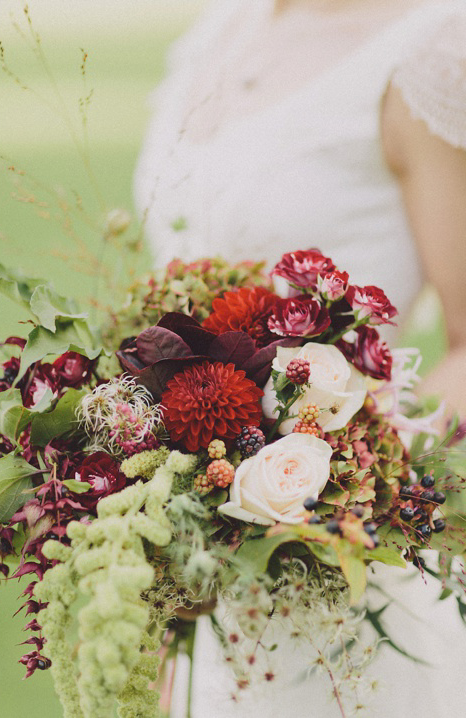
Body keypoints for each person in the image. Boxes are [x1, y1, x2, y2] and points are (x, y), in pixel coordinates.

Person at [133, 1, 466, 716]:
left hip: (344, 564)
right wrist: (162, 502)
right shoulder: (222, 27)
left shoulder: (434, 50)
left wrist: (342, 479)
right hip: (199, 564)